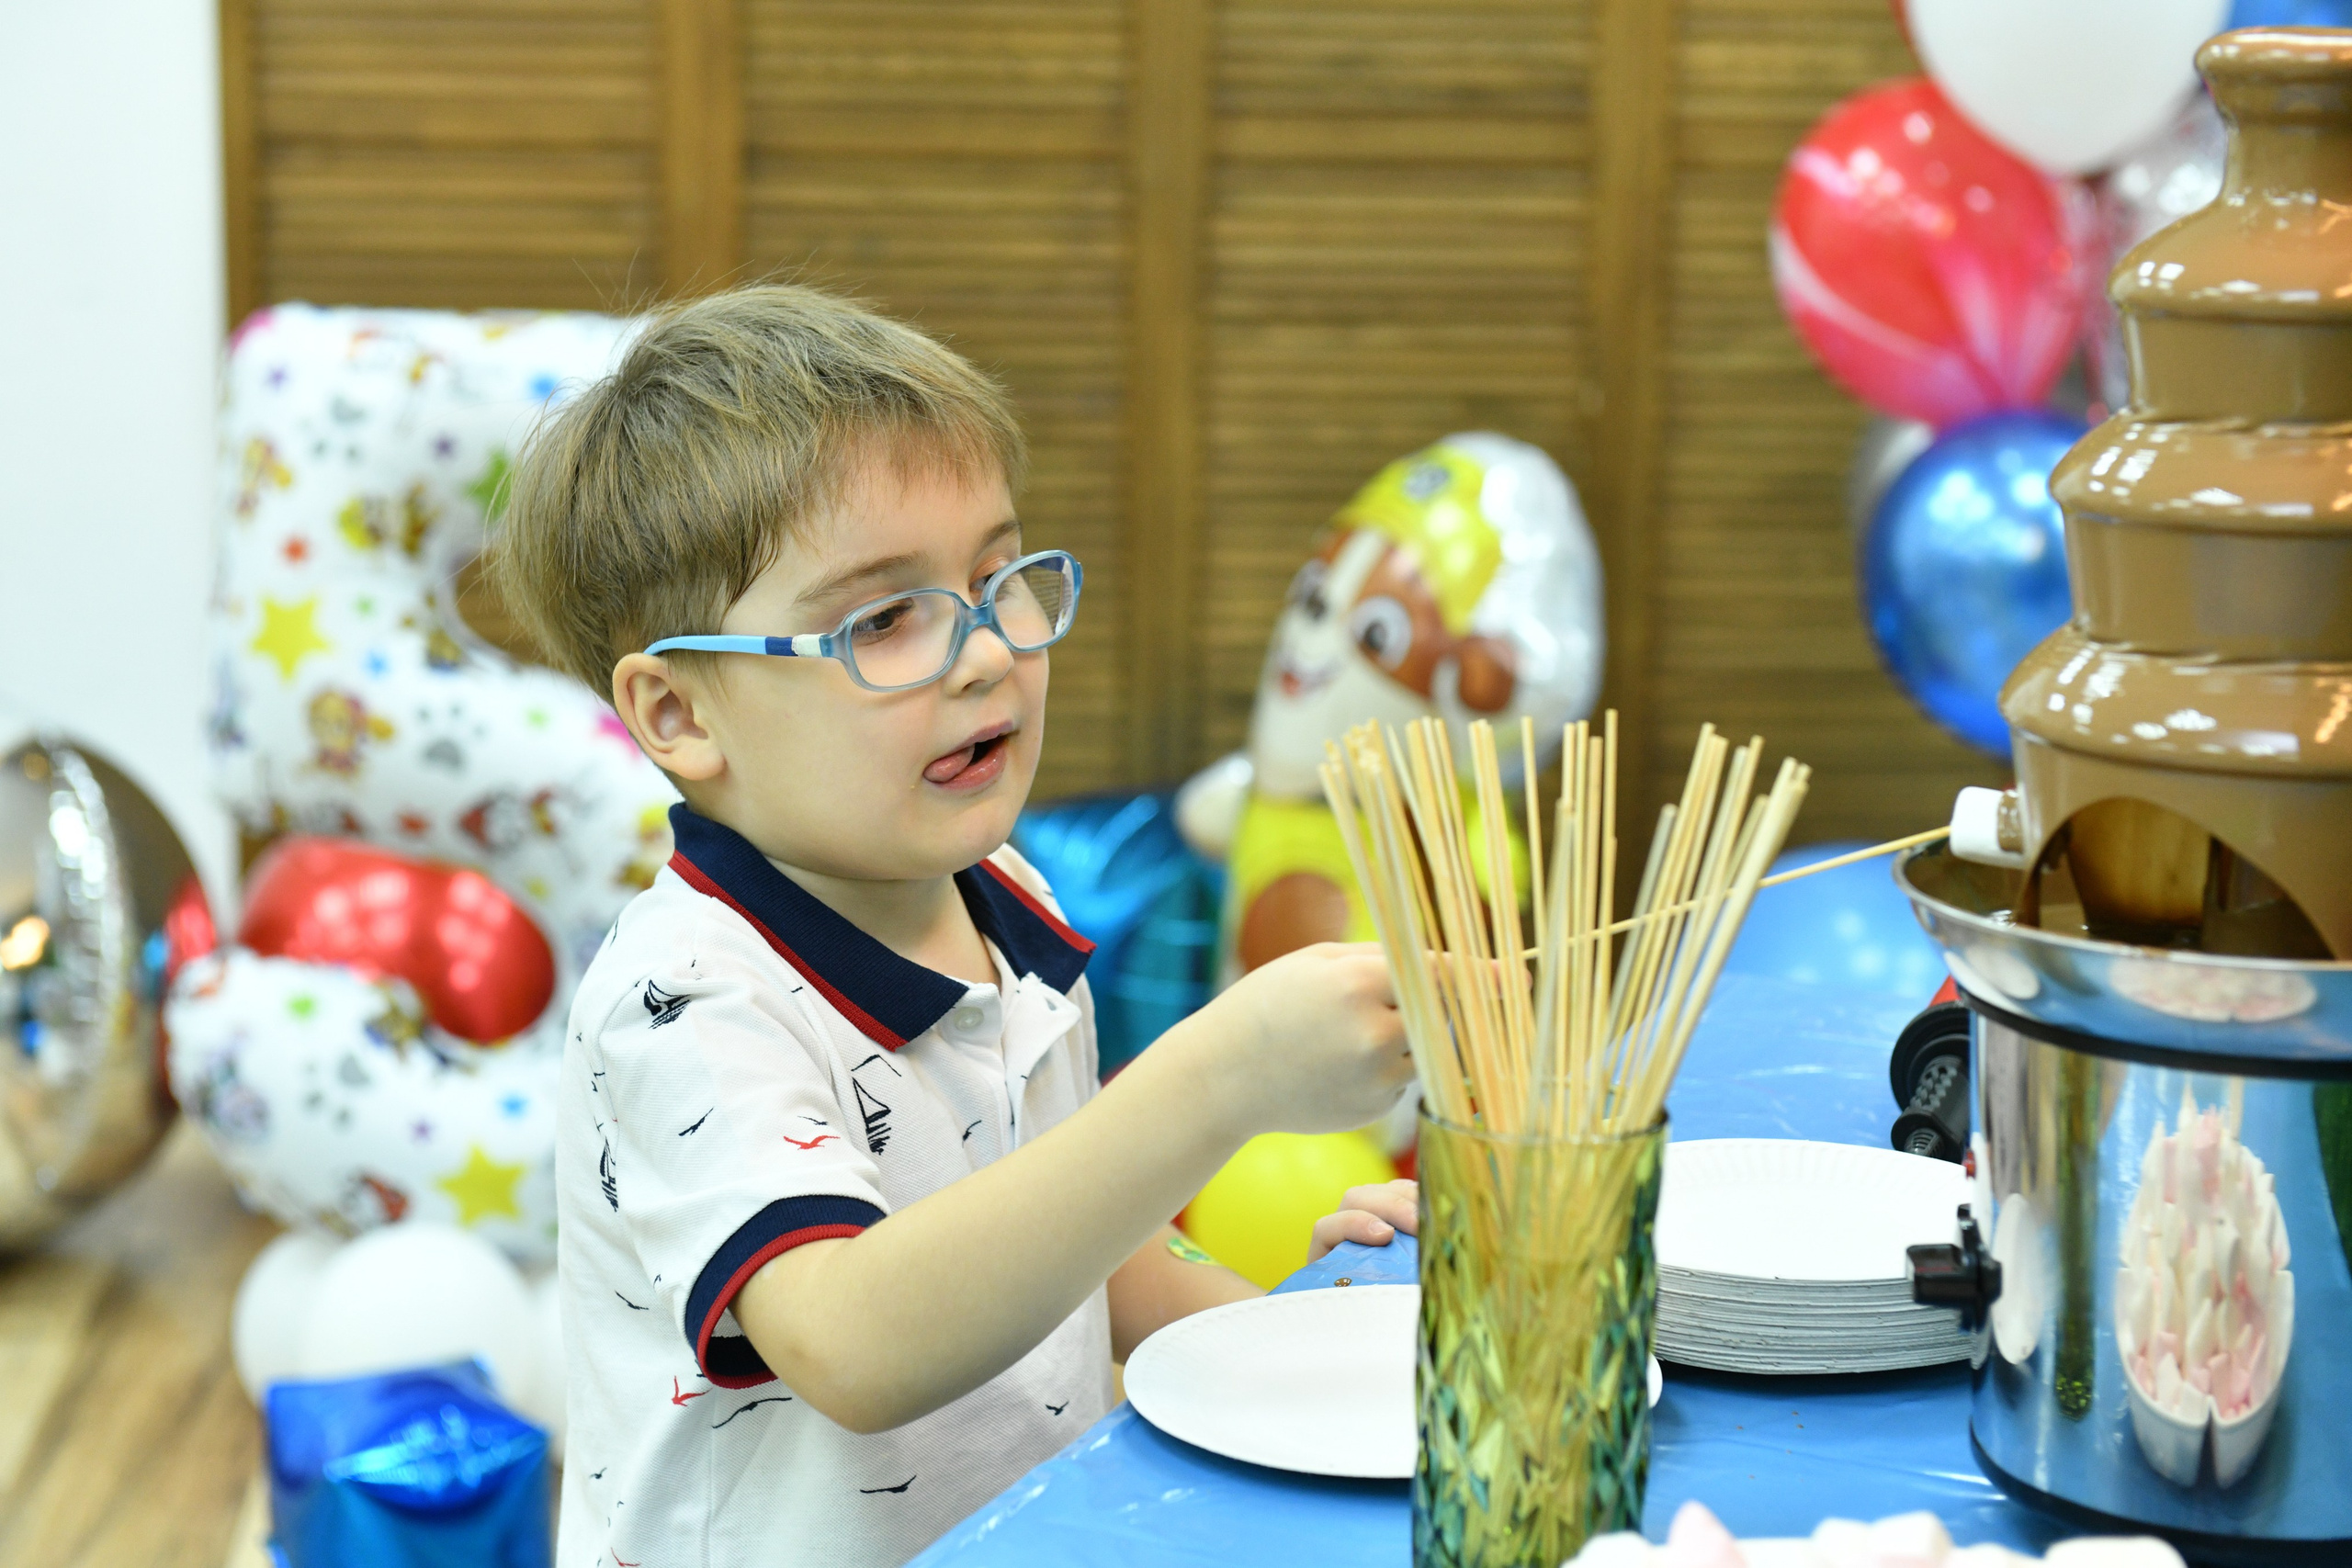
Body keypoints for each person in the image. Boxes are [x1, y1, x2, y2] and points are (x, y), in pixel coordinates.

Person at [488, 284, 1419, 1568]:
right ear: (679, 717)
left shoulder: (1007, 899)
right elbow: (855, 1342)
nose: (985, 653)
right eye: (884, 619)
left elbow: (1096, 1270)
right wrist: (1225, 1077)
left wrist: (1296, 1343)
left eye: (998, 578)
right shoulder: (689, 1004)